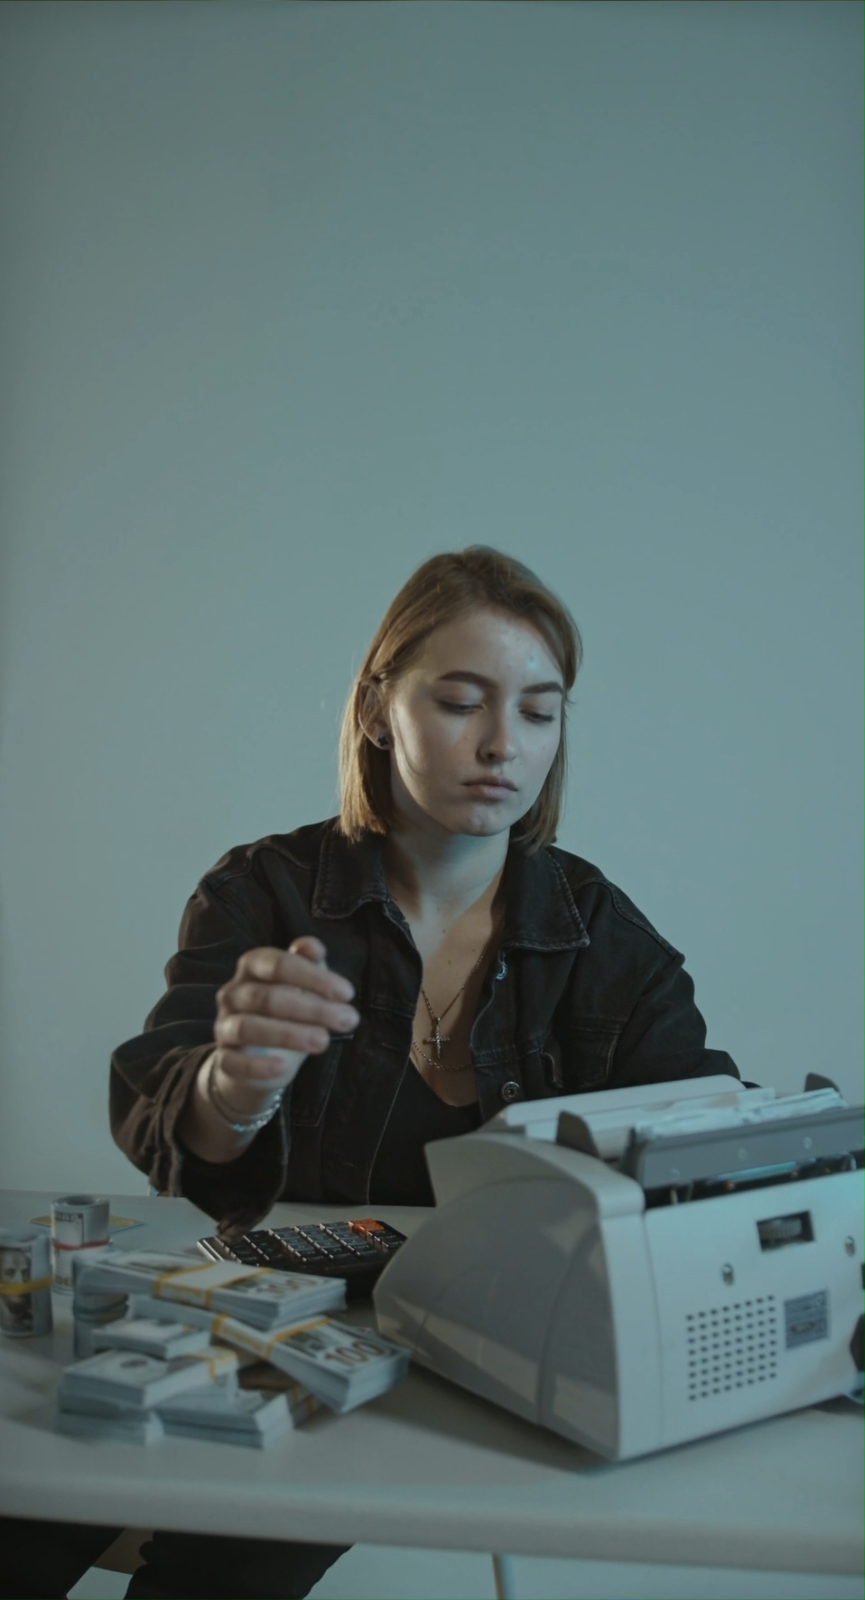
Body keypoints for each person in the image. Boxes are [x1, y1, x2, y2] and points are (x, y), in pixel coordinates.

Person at [2, 547, 738, 1598]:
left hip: (468, 1360)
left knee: (220, 1576)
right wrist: (235, 1087)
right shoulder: (264, 890)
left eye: (539, 711)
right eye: (460, 701)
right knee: (26, 1519)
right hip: (245, 1314)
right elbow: (167, 1119)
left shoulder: (599, 932)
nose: (502, 743)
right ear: (376, 711)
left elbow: (709, 1130)